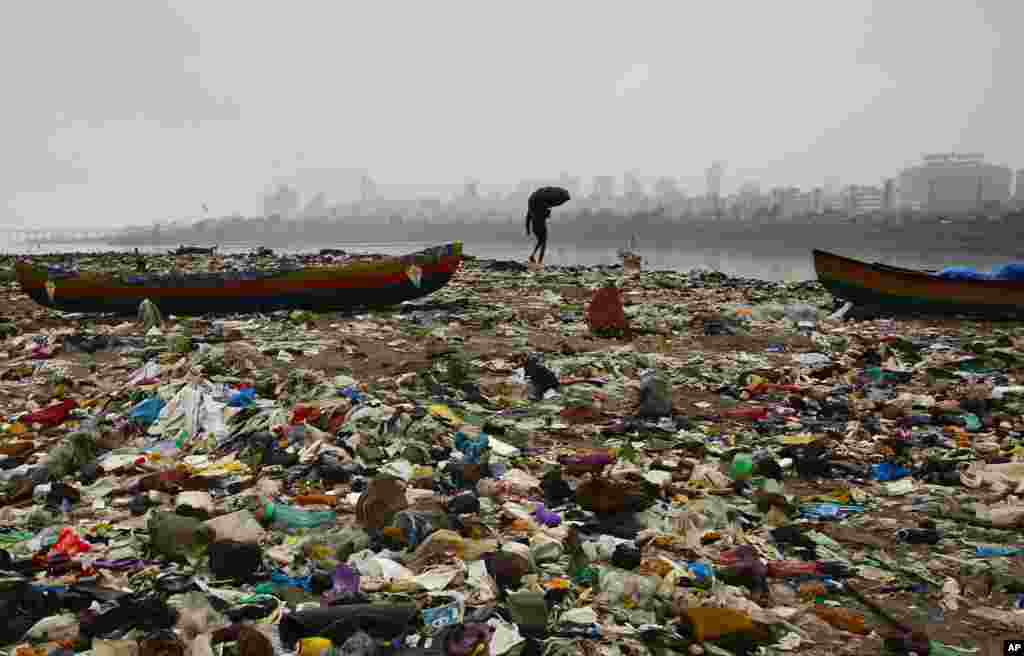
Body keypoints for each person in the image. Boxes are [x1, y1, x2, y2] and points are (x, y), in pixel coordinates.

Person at [525, 193, 552, 264]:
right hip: (542, 227)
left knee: (540, 242)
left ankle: (532, 255)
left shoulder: (531, 209)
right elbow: (547, 216)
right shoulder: (542, 207)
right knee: (544, 244)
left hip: (535, 228)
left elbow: (527, 220)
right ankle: (540, 262)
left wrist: (528, 230)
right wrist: (549, 210)